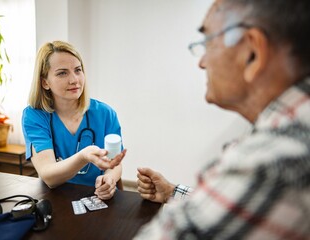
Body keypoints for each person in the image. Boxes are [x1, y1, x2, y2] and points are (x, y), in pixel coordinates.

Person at [135, 0, 310, 239]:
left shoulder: (274, 159)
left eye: (208, 43)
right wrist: (173, 191)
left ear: (252, 53)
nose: (202, 62)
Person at [22, 41, 126, 200]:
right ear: (45, 82)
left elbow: (115, 163)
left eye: (78, 70)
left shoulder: (105, 114)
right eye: (62, 73)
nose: (74, 80)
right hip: (57, 199)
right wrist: (83, 156)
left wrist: (110, 179)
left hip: (96, 197)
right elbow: (48, 176)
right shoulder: (34, 116)